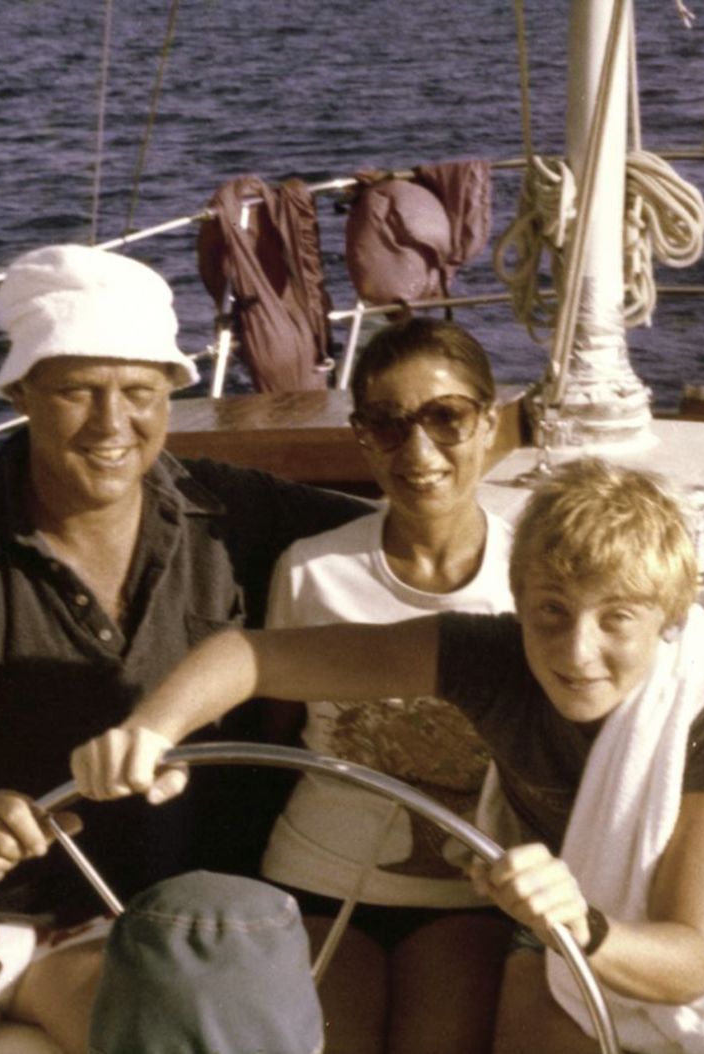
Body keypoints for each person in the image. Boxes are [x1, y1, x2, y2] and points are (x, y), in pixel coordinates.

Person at [73, 457, 704, 1054]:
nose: (577, 651)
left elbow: (689, 961)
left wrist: (587, 923)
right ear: (520, 603)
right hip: (548, 927)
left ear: (667, 617)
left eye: (618, 619)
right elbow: (253, 656)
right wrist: (151, 727)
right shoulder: (494, 657)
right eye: (551, 613)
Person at [0, 244, 368, 1054]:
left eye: (140, 393)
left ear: (170, 396)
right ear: (20, 394)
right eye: (78, 391)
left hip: (125, 909)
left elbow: (396, 540)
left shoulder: (243, 515)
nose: (114, 425)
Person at [257, 317, 515, 1053]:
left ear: (490, 423)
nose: (420, 451)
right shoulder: (309, 570)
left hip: (468, 895)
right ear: (363, 435)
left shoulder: (537, 575)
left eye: (447, 418)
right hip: (313, 879)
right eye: (388, 424)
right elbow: (280, 738)